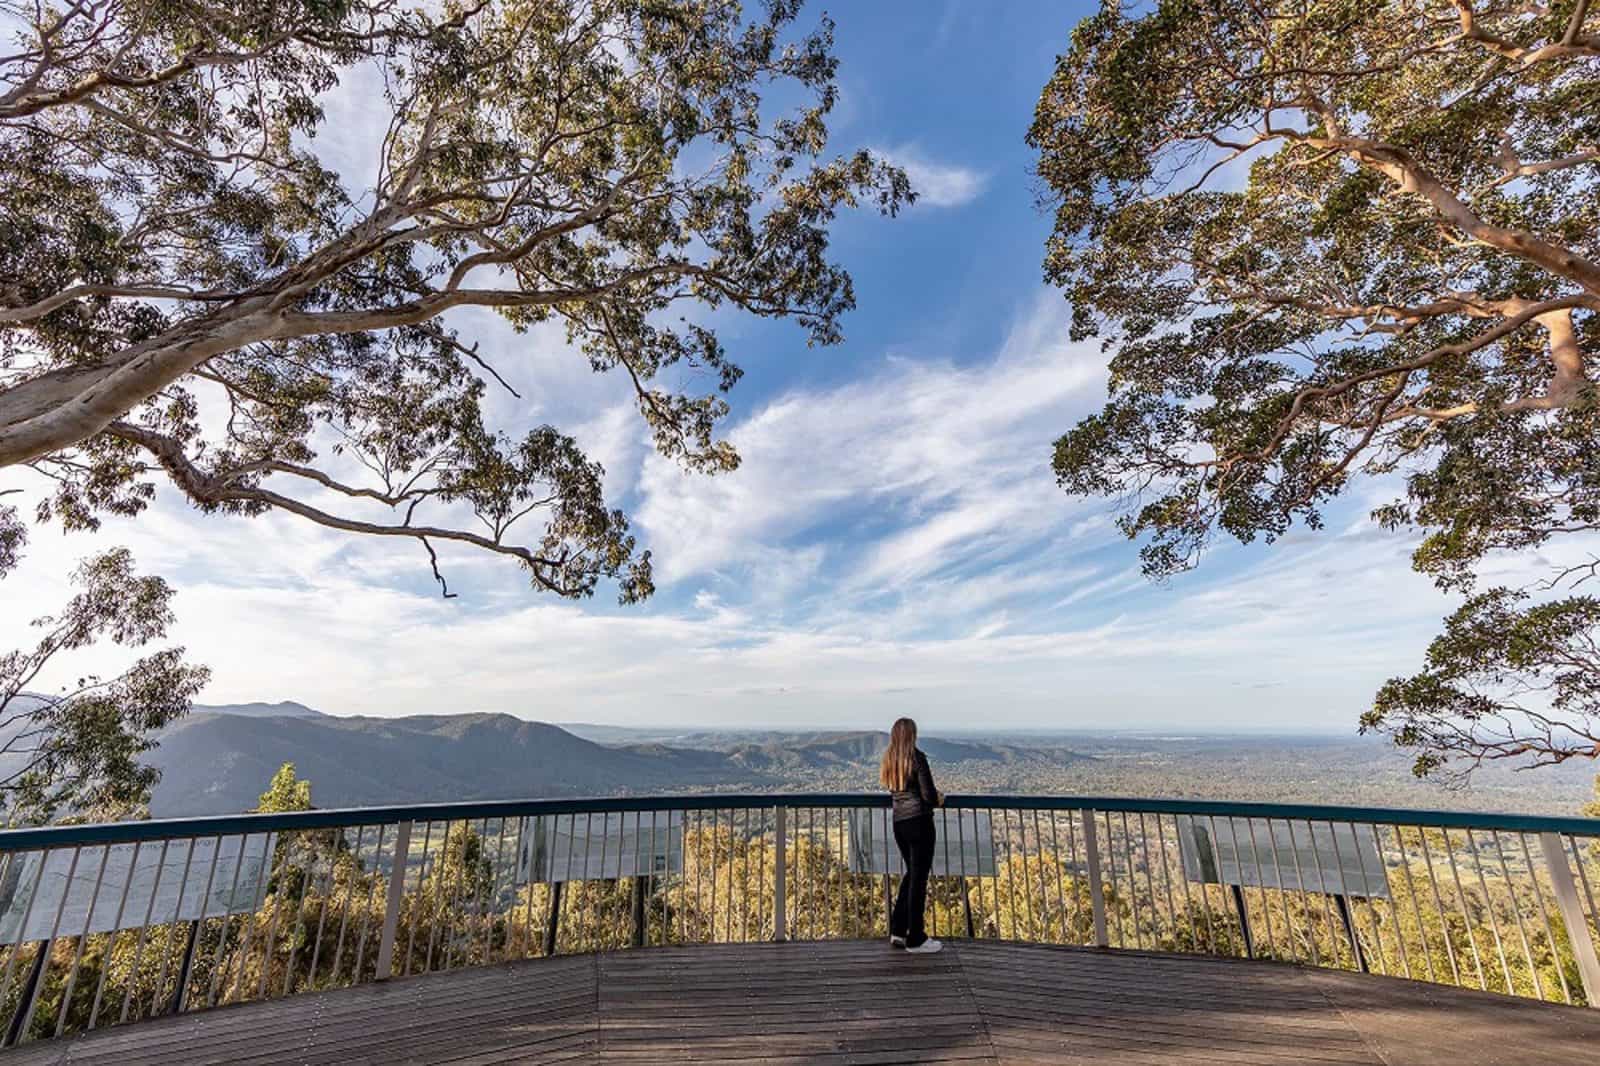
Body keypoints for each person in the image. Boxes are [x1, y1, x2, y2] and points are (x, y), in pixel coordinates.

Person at [879, 717, 943, 953]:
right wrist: (940, 798)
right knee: (919, 880)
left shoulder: (890, 760)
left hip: (900, 824)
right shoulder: (917, 758)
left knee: (911, 876)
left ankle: (898, 929)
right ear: (912, 735)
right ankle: (916, 937)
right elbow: (928, 796)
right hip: (920, 823)